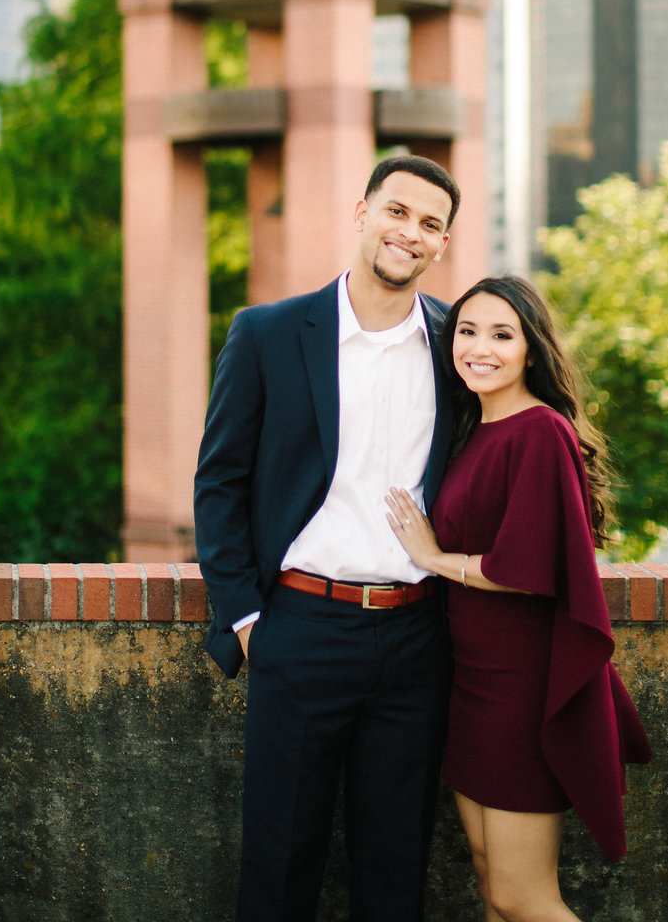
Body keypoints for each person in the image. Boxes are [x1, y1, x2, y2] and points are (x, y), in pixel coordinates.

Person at [193, 153, 461, 922]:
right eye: (397, 212)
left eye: (430, 224)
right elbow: (219, 484)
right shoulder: (268, 334)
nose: (410, 233)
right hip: (300, 630)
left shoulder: (457, 345)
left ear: (442, 244)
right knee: (279, 867)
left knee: (396, 867)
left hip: (417, 640)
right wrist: (246, 622)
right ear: (362, 212)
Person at [386, 275, 652, 922]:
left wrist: (431, 559)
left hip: (520, 690)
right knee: (487, 878)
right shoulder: (476, 430)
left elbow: (529, 567)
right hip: (471, 683)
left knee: (522, 895)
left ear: (531, 349)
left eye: (502, 335)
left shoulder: (539, 431)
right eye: (467, 332)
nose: (480, 348)